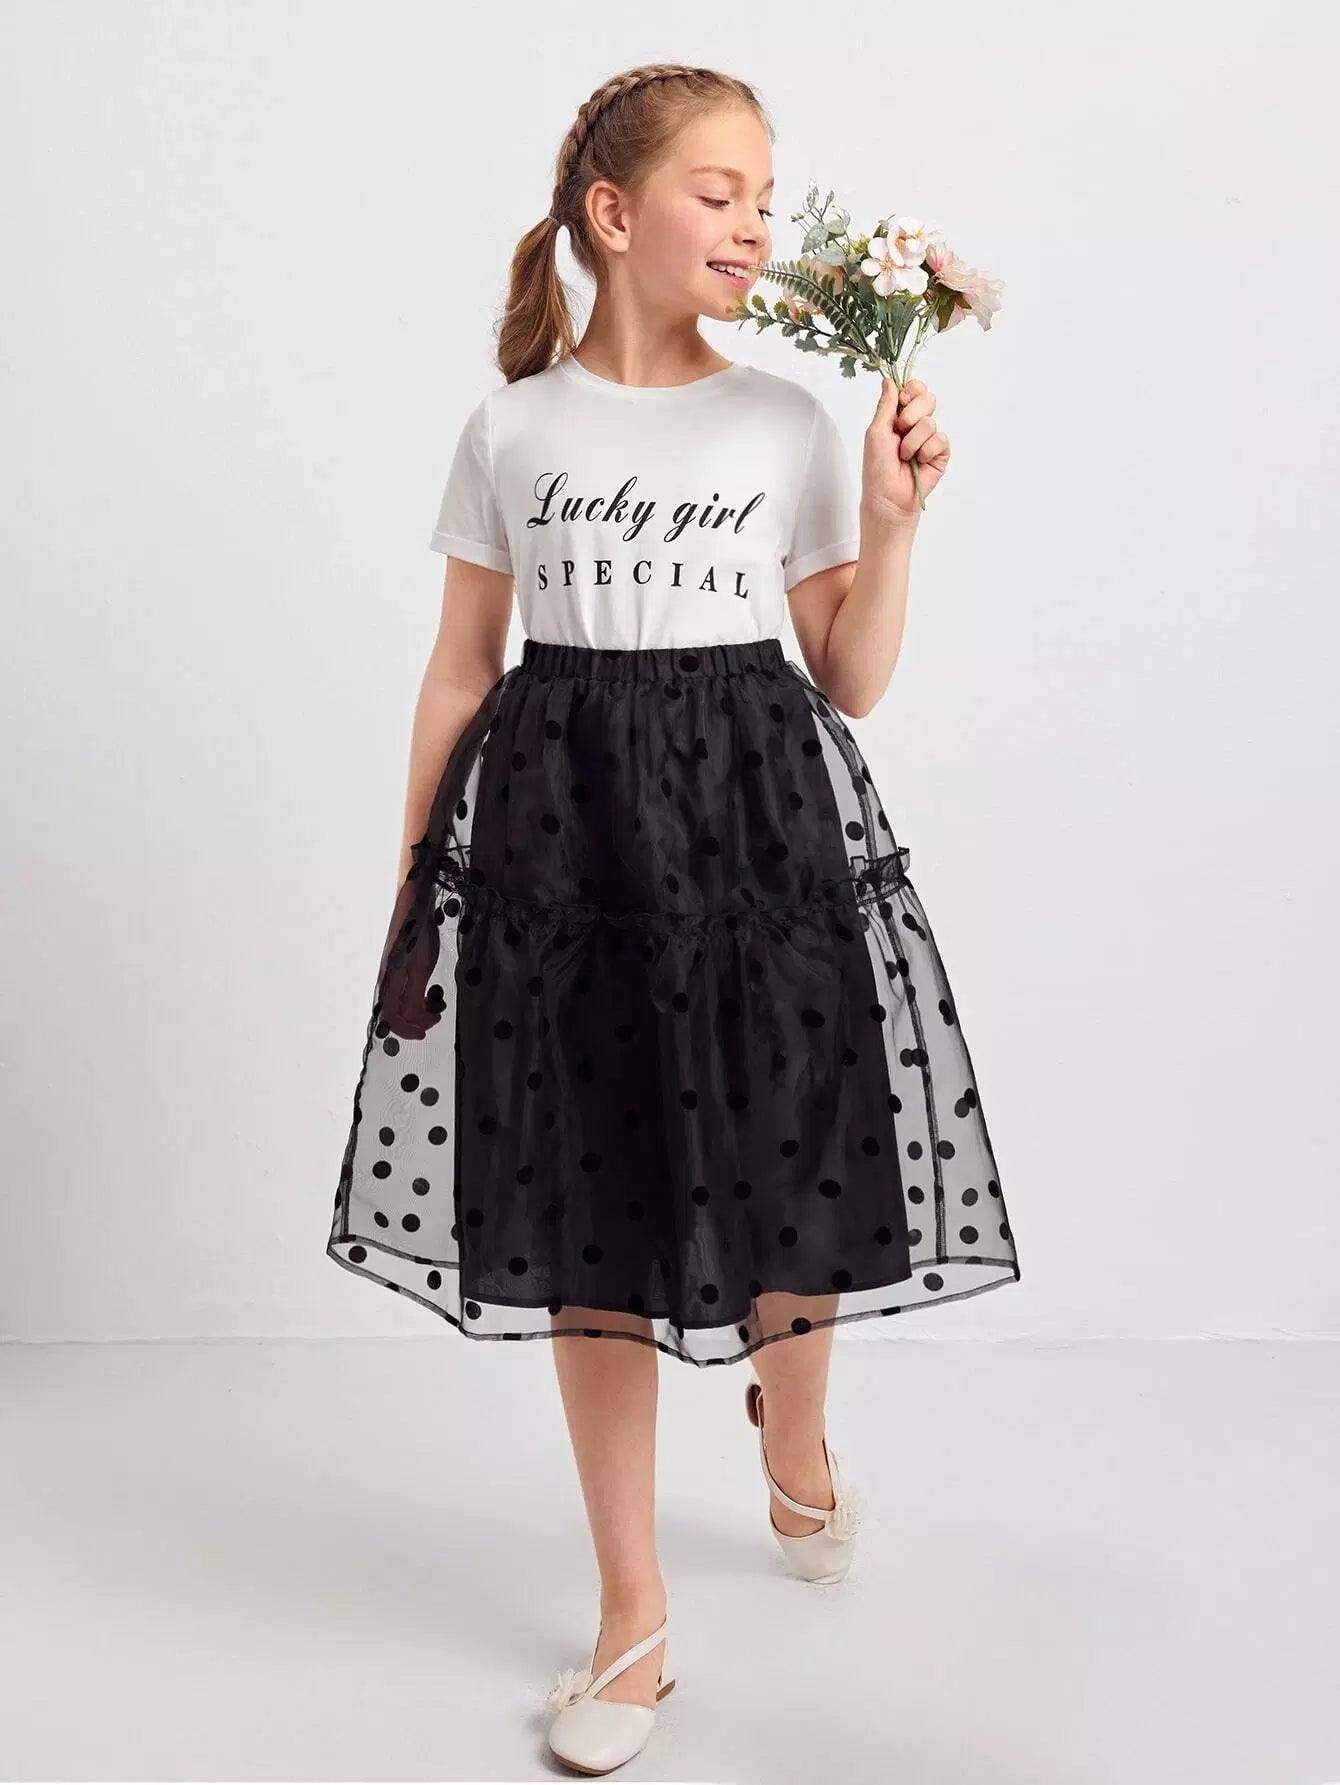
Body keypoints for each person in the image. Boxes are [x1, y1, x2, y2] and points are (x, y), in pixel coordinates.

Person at [327, 61, 1021, 1778]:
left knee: (797, 1180)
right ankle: (632, 1609)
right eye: (721, 193)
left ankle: (796, 1439)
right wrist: (418, 885)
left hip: (757, 833)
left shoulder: (784, 422)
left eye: (767, 198)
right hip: (565, 851)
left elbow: (847, 674)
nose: (757, 224)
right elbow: (461, 665)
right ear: (613, 214)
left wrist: (895, 524)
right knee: (592, 1213)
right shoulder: (515, 428)